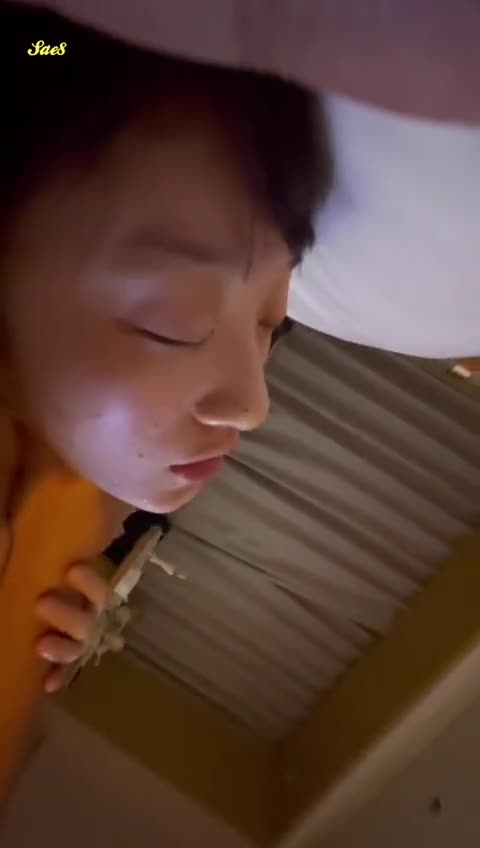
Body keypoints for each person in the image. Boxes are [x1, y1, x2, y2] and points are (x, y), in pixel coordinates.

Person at [0, 3, 332, 691]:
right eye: (174, 322)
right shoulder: (46, 50)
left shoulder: (84, 509)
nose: (252, 407)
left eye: (268, 321)